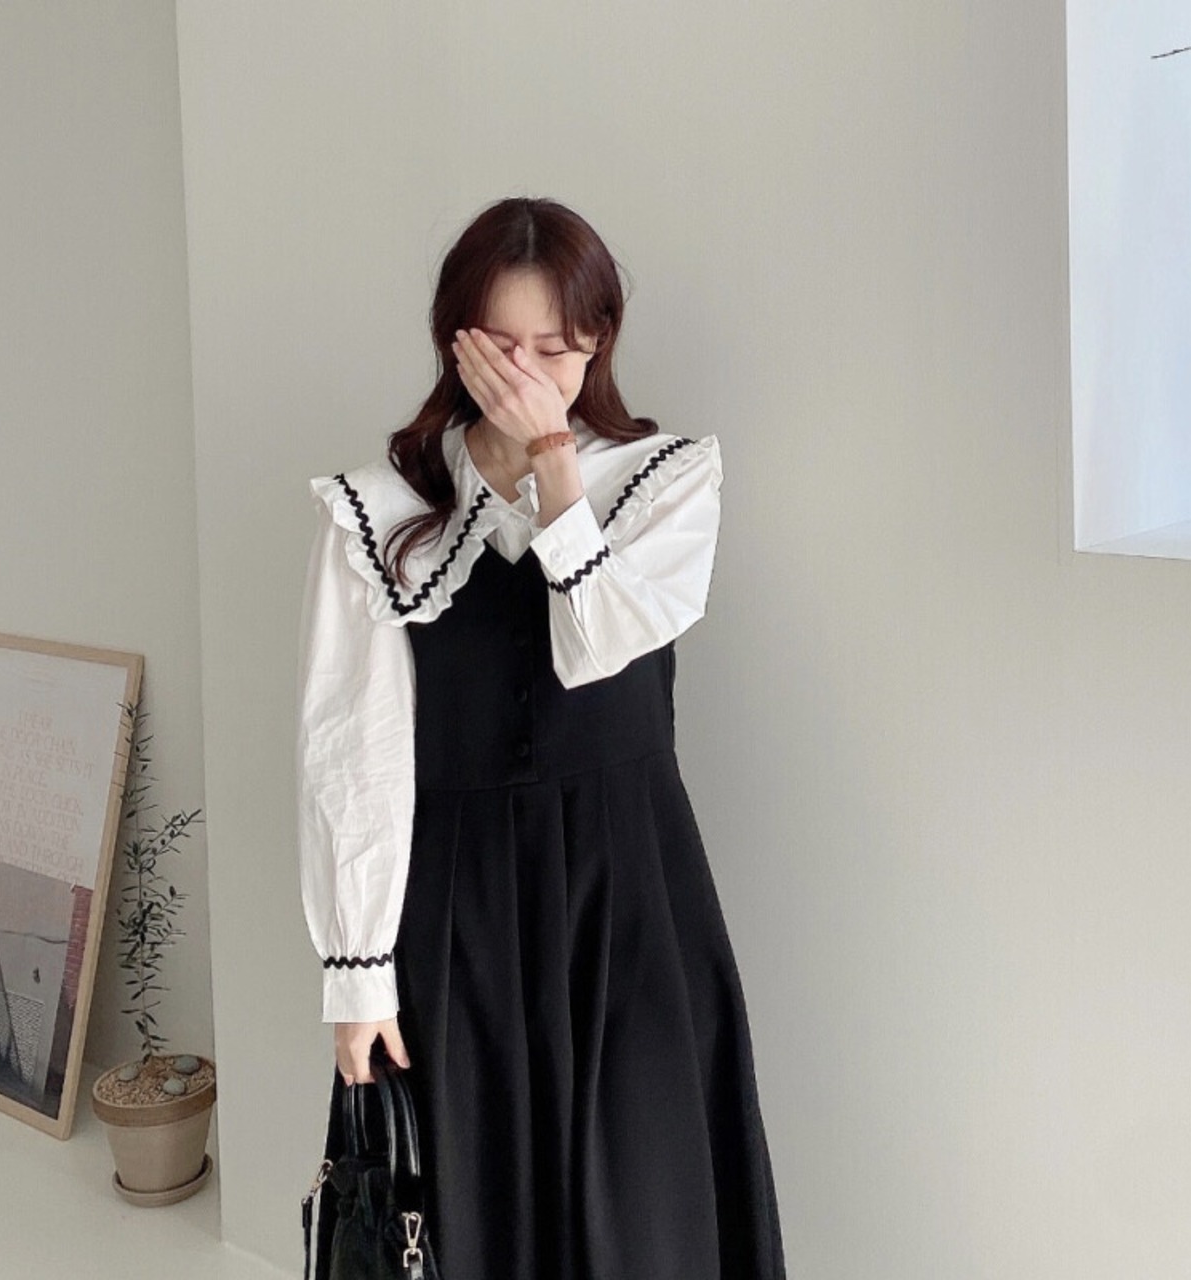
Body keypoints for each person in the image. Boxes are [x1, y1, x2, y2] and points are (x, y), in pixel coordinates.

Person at [296, 196, 787, 1279]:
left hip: (631, 888)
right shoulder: (382, 513)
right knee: (471, 1204)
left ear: (599, 339)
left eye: (556, 349)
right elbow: (350, 747)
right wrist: (356, 972)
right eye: (501, 348)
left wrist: (557, 467)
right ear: (454, 340)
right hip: (455, 898)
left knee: (646, 1200)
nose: (526, 376)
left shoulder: (665, 479)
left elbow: (601, 643)